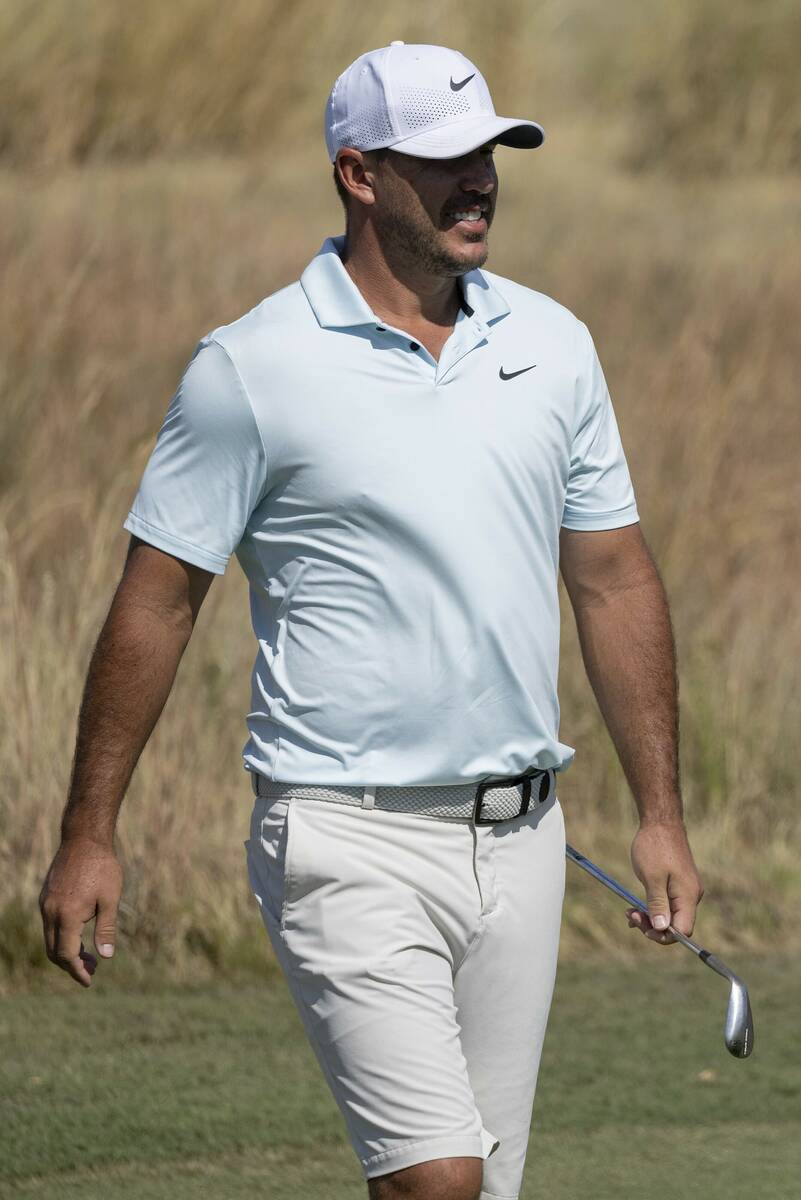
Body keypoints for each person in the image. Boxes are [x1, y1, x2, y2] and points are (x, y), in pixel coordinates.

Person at [39, 42, 704, 1200]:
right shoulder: (251, 368)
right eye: (445, 160)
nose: (480, 181)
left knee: (481, 1190)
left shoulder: (553, 346)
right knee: (436, 1182)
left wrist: (661, 813)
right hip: (341, 838)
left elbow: (612, 580)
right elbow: (158, 600)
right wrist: (91, 829)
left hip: (522, 839)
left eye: (490, 153)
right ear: (358, 174)